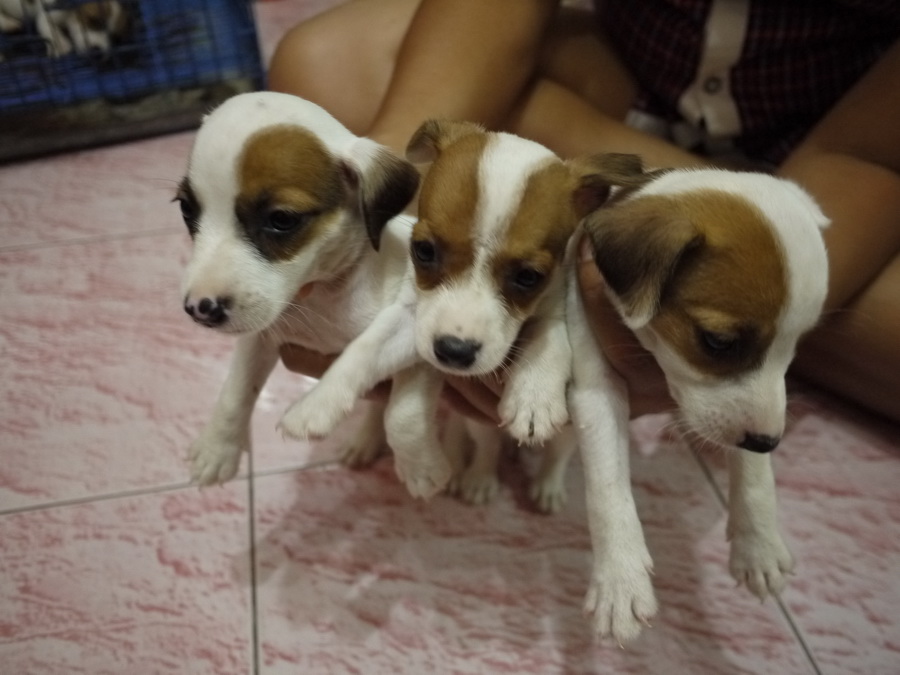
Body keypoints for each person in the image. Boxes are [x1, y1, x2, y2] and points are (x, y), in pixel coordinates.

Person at [267, 0, 900, 425]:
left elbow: (866, 158)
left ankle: (727, 296)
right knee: (327, 62)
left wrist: (754, 284)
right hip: (627, 94)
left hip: (831, 153)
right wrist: (381, 198)